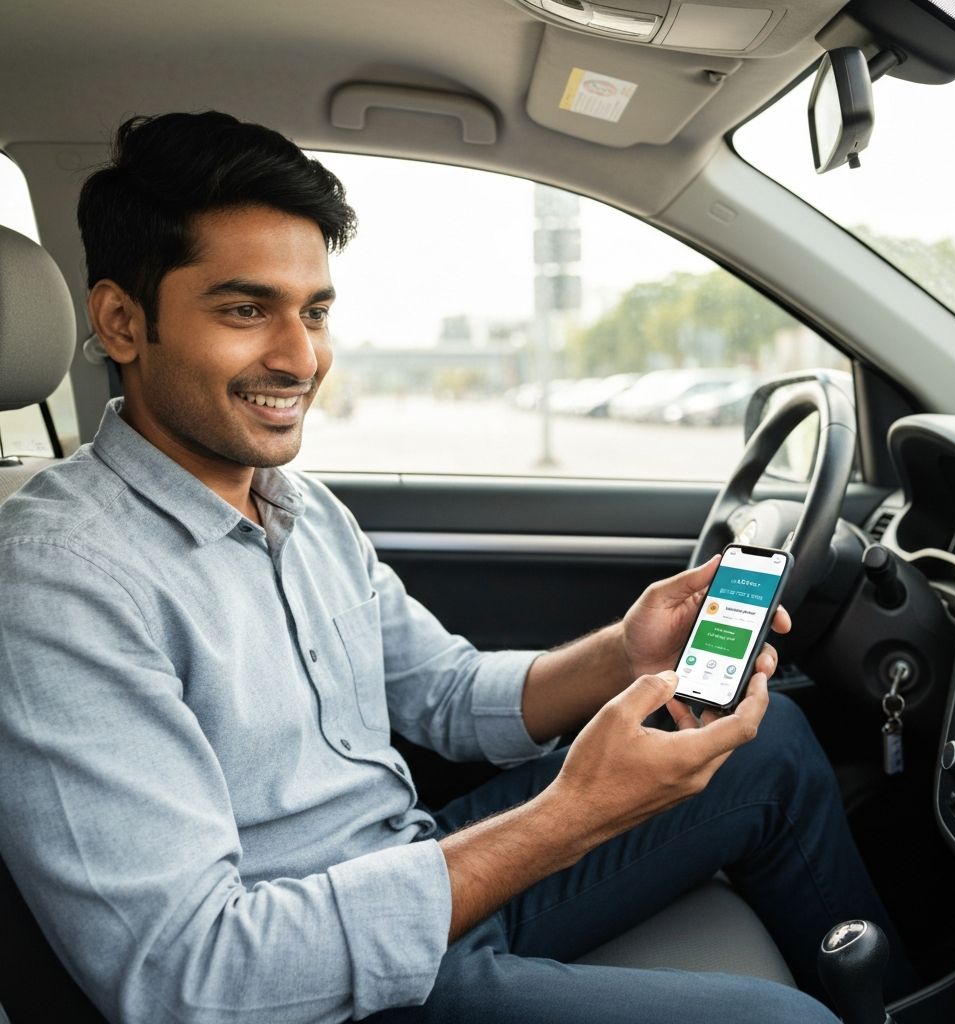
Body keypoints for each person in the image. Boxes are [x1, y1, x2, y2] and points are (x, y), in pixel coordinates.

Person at [0, 111, 908, 1024]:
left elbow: (447, 692)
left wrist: (625, 655)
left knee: (771, 741)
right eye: (246, 310)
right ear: (122, 321)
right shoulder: (62, 580)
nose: (301, 357)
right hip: (314, 985)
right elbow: (189, 977)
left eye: (314, 312)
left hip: (423, 868)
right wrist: (571, 814)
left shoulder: (301, 509)